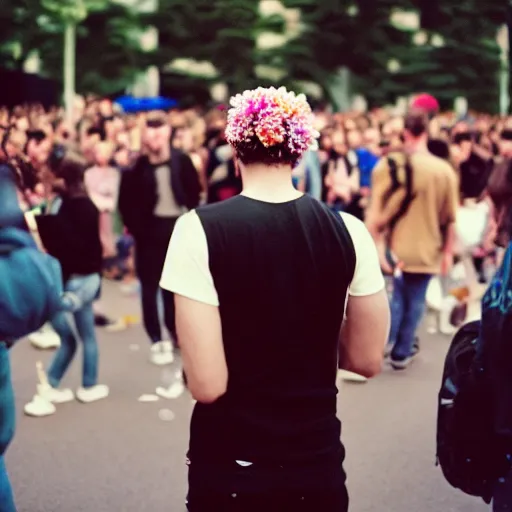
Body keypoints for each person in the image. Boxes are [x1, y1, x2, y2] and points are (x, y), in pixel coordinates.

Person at [160, 87, 390, 511]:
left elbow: (207, 385)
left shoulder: (198, 229)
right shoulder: (350, 231)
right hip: (316, 459)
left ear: (233, 147)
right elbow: (367, 358)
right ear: (301, 149)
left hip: (232, 462)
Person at [366, 110, 459, 370]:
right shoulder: (444, 171)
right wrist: (448, 252)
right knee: (416, 299)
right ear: (427, 131)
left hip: (393, 246)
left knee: (395, 297)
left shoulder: (388, 165)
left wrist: (374, 241)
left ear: (404, 132)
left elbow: (375, 210)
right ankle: (402, 350)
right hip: (428, 246)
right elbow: (449, 218)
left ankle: (384, 344)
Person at [24, 149, 107, 416]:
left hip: (68, 278)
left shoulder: (64, 206)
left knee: (72, 337)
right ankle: (85, 385)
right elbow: (83, 248)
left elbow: (60, 243)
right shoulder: (81, 206)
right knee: (82, 337)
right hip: (83, 278)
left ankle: (55, 384)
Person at [118, 111, 201, 365]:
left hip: (176, 228)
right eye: (150, 129)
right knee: (149, 286)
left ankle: (174, 332)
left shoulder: (181, 160)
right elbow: (125, 203)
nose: (155, 135)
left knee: (173, 287)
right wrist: (137, 229)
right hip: (148, 232)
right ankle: (156, 338)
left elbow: (194, 192)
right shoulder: (137, 167)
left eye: (159, 128)